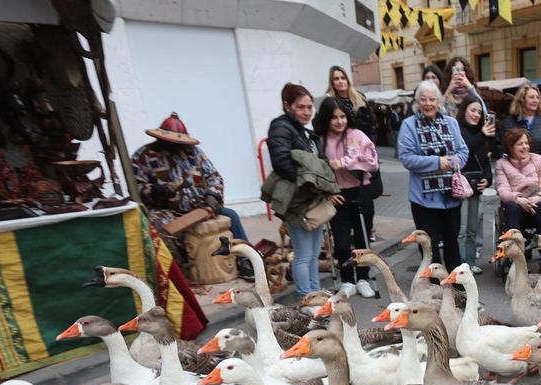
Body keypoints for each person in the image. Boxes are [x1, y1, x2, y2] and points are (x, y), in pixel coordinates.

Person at [131, 112, 253, 278]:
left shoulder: (195, 153)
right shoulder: (144, 155)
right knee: (158, 229)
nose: (174, 145)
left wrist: (212, 196)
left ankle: (246, 259)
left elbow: (214, 177)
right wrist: (153, 191)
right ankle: (176, 274)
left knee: (231, 216)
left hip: (200, 207)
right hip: (164, 210)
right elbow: (136, 187)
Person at [398, 79, 469, 271]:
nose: (428, 103)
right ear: (417, 102)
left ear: (439, 101)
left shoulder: (451, 123)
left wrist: (451, 163)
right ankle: (433, 289)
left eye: (432, 99)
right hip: (424, 199)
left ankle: (457, 287)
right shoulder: (409, 125)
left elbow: (463, 152)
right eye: (423, 99)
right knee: (429, 249)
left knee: (452, 244)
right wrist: (436, 162)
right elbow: (406, 158)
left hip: (451, 196)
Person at [315, 97, 378, 298]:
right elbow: (319, 169)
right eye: (334, 117)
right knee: (341, 243)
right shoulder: (321, 139)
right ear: (326, 119)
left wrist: (345, 162)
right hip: (336, 194)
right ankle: (347, 280)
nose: (339, 121)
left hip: (361, 190)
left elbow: (373, 163)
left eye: (342, 116)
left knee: (362, 239)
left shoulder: (357, 135)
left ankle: (363, 278)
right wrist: (327, 192)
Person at [267, 84, 324, 296]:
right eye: (301, 107)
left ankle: (315, 294)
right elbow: (282, 162)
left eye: (310, 107)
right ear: (287, 105)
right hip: (296, 200)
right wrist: (311, 183)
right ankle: (306, 297)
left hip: (311, 199)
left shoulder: (302, 129)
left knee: (314, 253)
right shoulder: (280, 127)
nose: (307, 112)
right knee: (303, 254)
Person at [494, 128, 541, 260]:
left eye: (526, 143)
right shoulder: (502, 164)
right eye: (520, 144)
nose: (525, 147)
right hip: (517, 208)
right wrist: (518, 199)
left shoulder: (539, 160)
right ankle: (513, 257)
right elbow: (503, 191)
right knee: (512, 207)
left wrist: (538, 198)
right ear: (510, 147)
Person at [456, 96, 497, 274]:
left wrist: (488, 179)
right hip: (460, 187)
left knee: (472, 230)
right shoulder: (457, 130)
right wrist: (482, 135)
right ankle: (460, 265)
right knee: (462, 230)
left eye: (479, 112)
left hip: (475, 188)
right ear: (464, 110)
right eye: (473, 110)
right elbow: (465, 151)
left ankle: (470, 262)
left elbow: (485, 160)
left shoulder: (481, 132)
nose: (476, 114)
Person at [499, 84, 541, 166]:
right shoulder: (509, 122)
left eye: (537, 97)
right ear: (522, 99)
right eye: (531, 97)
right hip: (517, 170)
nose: (535, 100)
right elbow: (500, 146)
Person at [324, 65, 374, 137]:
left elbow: (370, 124)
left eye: (343, 78)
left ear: (347, 80)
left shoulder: (360, 97)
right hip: (339, 142)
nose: (340, 81)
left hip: (361, 141)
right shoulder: (328, 101)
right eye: (336, 79)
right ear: (332, 83)